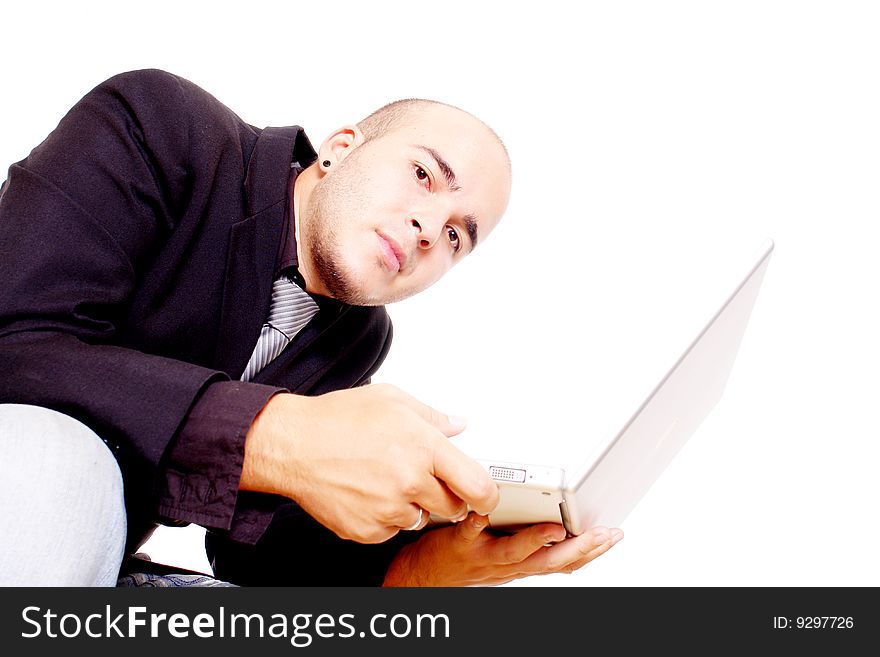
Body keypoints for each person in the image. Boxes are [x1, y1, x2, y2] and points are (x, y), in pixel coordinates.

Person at [0, 69, 622, 586]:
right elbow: (13, 346)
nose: (431, 228)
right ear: (342, 146)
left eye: (457, 236)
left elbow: (253, 548)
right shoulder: (161, 124)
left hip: (79, 571)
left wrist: (418, 567)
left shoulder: (358, 338)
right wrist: (280, 435)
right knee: (59, 459)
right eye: (424, 175)